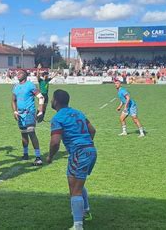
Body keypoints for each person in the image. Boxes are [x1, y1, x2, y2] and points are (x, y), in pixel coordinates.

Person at [47, 90, 97, 230]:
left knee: (75, 190)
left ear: (56, 101)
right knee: (77, 183)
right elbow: (92, 130)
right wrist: (86, 144)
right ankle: (85, 211)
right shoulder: (78, 113)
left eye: (52, 99)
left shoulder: (57, 118)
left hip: (79, 153)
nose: (51, 101)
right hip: (91, 151)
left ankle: (78, 225)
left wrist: (50, 156)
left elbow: (55, 142)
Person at [11, 69, 45, 165]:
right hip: (20, 114)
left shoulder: (30, 85)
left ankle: (38, 157)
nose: (18, 75)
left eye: (20, 73)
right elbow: (13, 100)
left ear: (25, 75)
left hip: (29, 113)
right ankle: (25, 154)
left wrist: (40, 111)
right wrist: (15, 111)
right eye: (17, 73)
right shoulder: (16, 87)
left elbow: (41, 97)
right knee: (23, 135)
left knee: (31, 133)